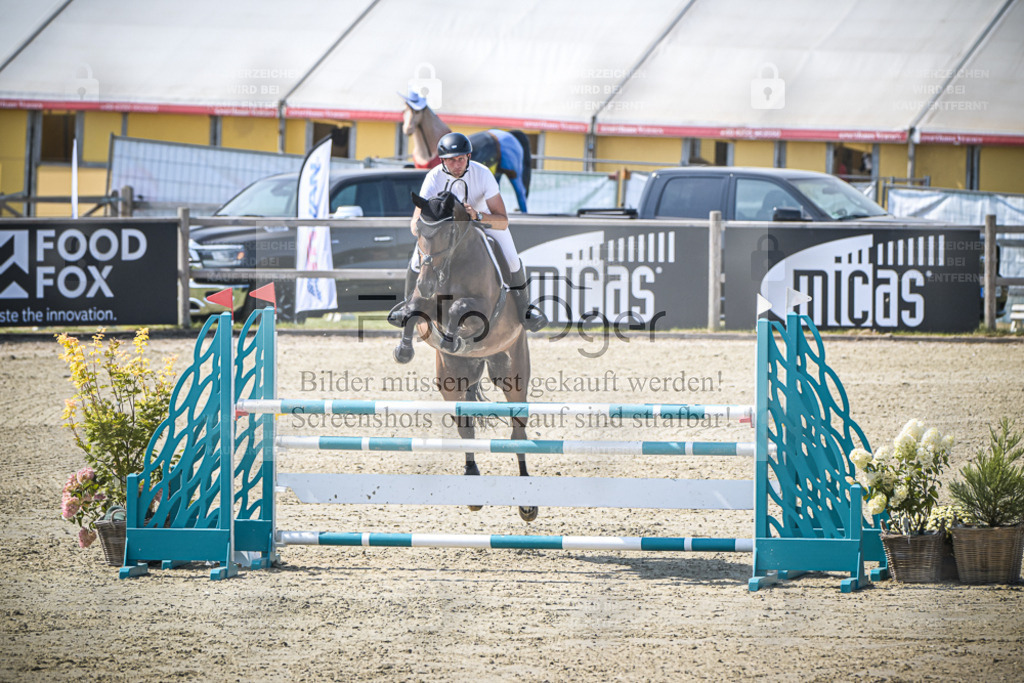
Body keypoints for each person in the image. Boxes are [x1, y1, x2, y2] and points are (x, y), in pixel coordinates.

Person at [388, 132, 547, 340]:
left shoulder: (482, 174)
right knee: (416, 260)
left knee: (512, 259)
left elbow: (503, 220)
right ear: (443, 160)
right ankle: (408, 306)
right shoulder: (434, 176)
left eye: (461, 159)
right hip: (445, 230)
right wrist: (424, 231)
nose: (457, 164)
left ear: (469, 157)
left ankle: (525, 311)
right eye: (452, 160)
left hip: (482, 223)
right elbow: (416, 220)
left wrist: (478, 216)